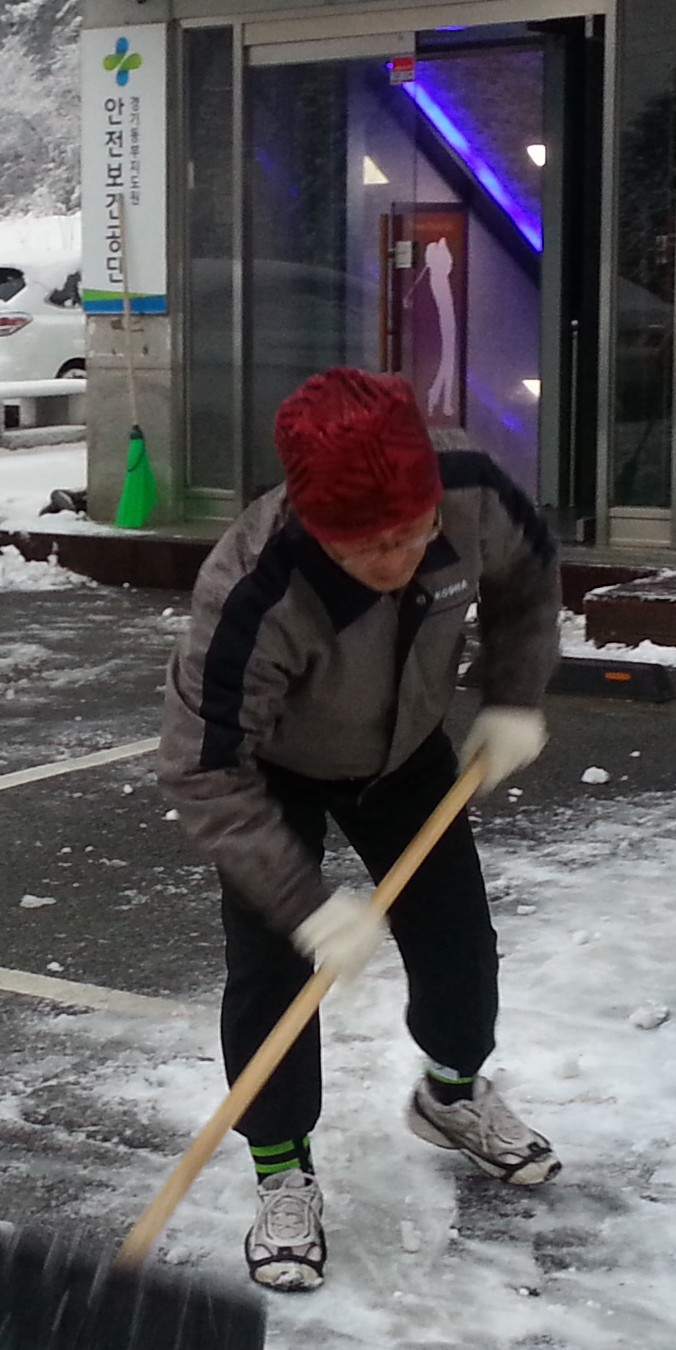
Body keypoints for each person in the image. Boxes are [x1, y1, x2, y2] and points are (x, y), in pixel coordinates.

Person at [157, 367, 563, 1292]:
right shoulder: (250, 591)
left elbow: (528, 574)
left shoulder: (467, 492)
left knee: (459, 942)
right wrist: (305, 904)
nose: (396, 560)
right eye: (365, 546)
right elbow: (201, 767)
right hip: (270, 773)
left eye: (410, 533)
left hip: (407, 748)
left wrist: (513, 697)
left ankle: (452, 1096)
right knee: (270, 974)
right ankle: (280, 1167)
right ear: (314, 526)